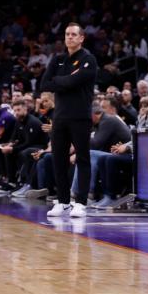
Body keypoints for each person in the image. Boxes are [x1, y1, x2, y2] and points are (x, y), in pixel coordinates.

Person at [42, 23, 98, 218]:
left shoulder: (88, 59)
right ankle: (63, 201)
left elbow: (75, 81)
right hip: (60, 117)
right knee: (58, 160)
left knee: (82, 158)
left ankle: (80, 202)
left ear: (82, 38)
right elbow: (44, 83)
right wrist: (66, 80)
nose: (70, 37)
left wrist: (59, 81)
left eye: (74, 34)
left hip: (81, 116)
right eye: (67, 34)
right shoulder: (57, 59)